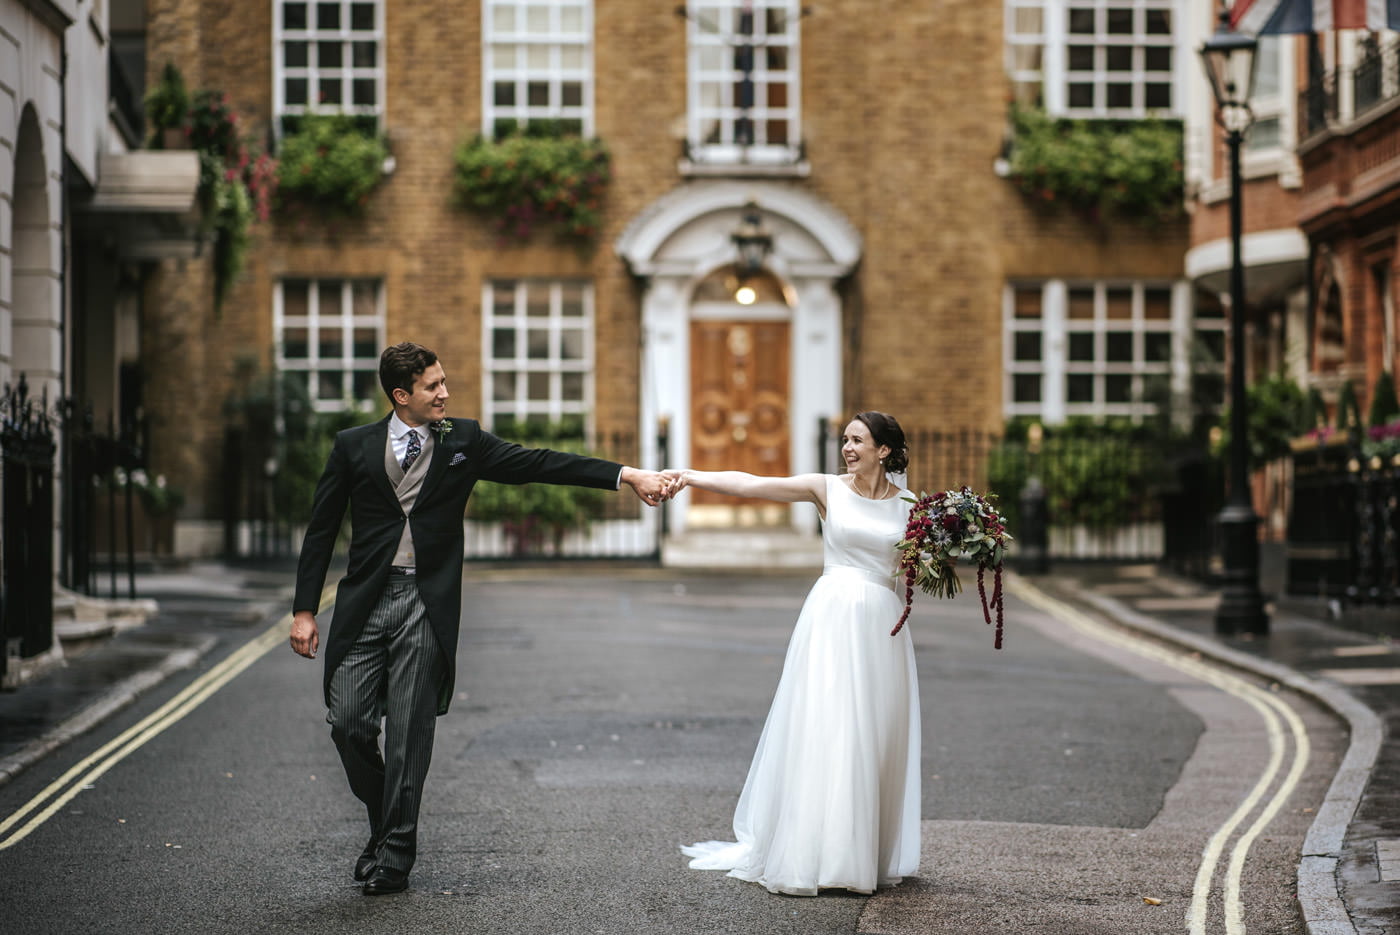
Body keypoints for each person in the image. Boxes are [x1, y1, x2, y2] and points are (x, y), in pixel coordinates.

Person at [290, 342, 668, 895]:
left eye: (444, 381)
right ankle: (384, 822)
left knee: (409, 734)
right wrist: (304, 609)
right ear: (401, 395)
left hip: (426, 602)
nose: (445, 392)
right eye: (433, 386)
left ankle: (395, 855)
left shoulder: (462, 440)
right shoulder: (353, 445)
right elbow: (322, 528)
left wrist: (627, 474)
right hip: (366, 602)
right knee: (348, 723)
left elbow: (538, 463)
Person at [665, 411, 920, 896]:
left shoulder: (911, 505)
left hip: (882, 627)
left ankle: (858, 852)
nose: (847, 448)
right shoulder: (827, 489)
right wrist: (692, 476)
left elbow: (918, 567)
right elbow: (752, 484)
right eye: (845, 439)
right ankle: (815, 853)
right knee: (830, 727)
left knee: (873, 732)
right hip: (831, 619)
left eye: (858, 440)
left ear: (884, 450)